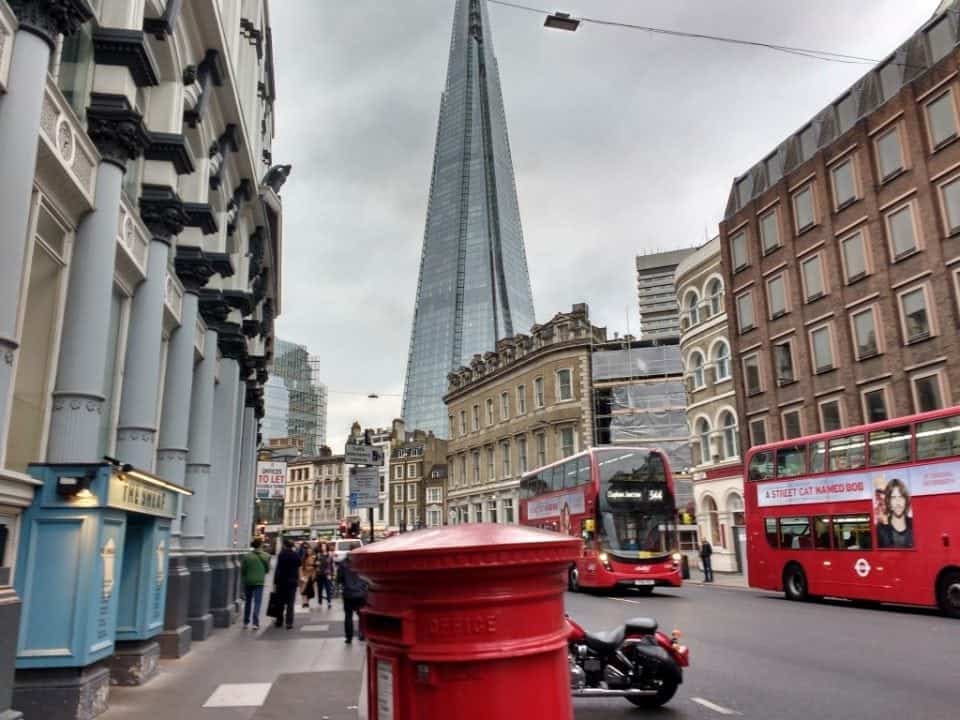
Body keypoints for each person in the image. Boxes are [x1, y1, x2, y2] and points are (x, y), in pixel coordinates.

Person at [241, 538, 271, 629]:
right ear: (261, 545)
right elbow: (267, 570)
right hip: (259, 582)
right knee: (257, 602)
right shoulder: (266, 556)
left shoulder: (246, 556)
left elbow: (243, 571)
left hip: (248, 581)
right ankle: (255, 623)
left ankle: (246, 622)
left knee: (248, 602)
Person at [337, 554, 368, 644]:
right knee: (361, 615)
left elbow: (339, 579)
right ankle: (362, 634)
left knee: (348, 616)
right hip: (360, 593)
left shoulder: (342, 564)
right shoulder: (362, 562)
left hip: (348, 593)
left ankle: (349, 637)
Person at [877, 478, 913, 549]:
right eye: (893, 498)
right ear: (888, 502)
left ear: (906, 500)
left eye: (901, 497)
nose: (898, 502)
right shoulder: (880, 529)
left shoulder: (914, 525)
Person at [273, 539, 301, 629]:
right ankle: (289, 622)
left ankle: (279, 621)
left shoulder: (281, 555)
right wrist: (298, 580)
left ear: (285, 546)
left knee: (280, 602)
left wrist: (275, 582)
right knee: (290, 603)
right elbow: (299, 567)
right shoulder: (295, 555)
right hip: (292, 582)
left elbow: (278, 569)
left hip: (281, 582)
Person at [317, 543, 335, 609]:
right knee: (320, 589)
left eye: (324, 546)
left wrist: (333, 574)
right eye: (322, 546)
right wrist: (317, 564)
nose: (323, 547)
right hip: (320, 574)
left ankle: (329, 602)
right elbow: (316, 564)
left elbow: (332, 565)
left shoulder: (329, 555)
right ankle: (320, 601)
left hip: (327, 574)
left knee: (328, 588)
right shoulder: (318, 555)